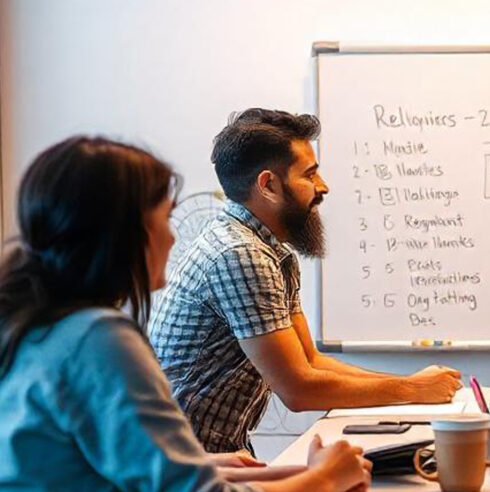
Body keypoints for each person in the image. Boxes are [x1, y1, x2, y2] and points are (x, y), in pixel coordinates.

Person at [0, 137, 373, 492]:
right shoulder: (98, 341)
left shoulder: (28, 330)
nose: (173, 237)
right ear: (124, 230)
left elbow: (75, 470)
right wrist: (322, 479)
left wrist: (203, 465)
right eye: (165, 218)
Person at [149, 108, 462, 453]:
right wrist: (412, 391)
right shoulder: (239, 254)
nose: (322, 187)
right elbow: (298, 389)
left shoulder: (270, 252)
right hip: (183, 463)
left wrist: (412, 385)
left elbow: (310, 362)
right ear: (268, 184)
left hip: (217, 452)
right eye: (310, 175)